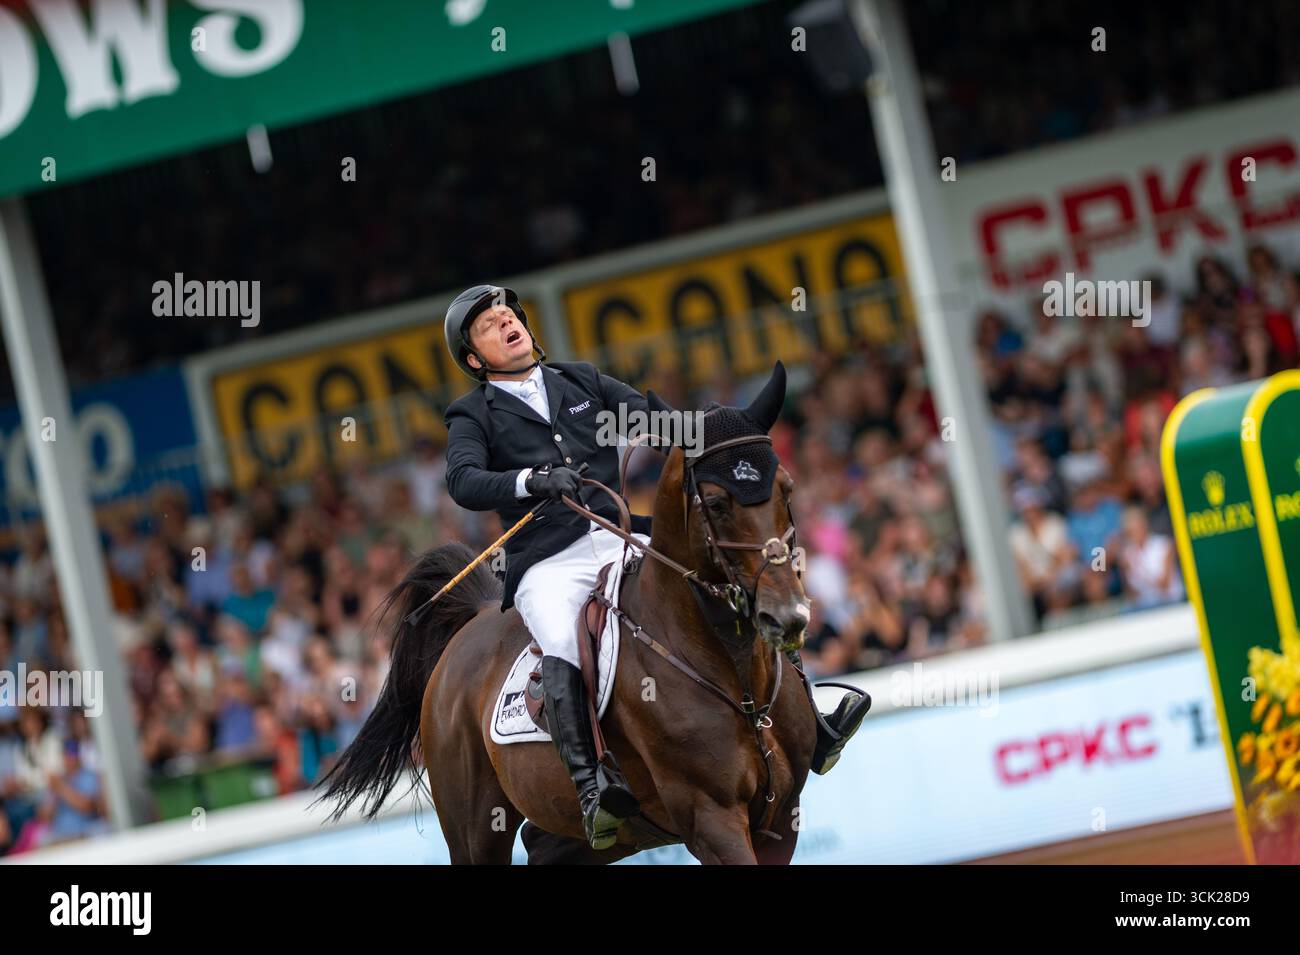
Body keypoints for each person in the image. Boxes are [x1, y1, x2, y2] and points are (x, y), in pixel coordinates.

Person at [441, 285, 870, 849]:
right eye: (490, 325)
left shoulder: (580, 381)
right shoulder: (473, 413)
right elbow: (464, 480)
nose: (506, 324)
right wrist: (532, 481)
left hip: (619, 534)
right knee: (563, 636)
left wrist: (725, 427)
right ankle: (592, 783)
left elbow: (662, 425)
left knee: (724, 583)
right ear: (475, 358)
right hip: (549, 560)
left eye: (509, 315)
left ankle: (807, 716)